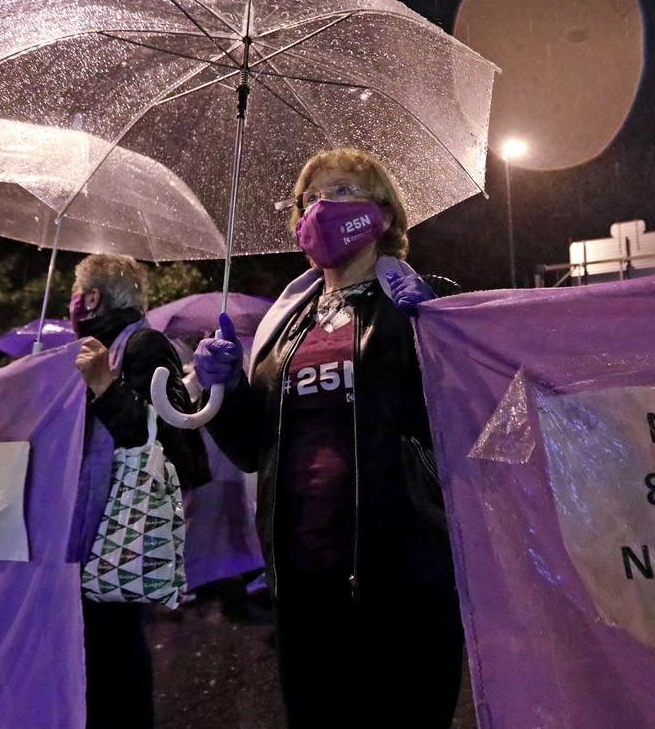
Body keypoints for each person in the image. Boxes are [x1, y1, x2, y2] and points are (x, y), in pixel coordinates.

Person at [193, 148, 465, 728]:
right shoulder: (285, 326)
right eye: (310, 198)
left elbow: (456, 425)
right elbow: (250, 448)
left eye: (342, 192)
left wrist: (435, 337)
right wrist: (223, 394)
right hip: (302, 580)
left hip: (402, 576)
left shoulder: (419, 305)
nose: (321, 207)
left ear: (384, 217)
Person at [69, 253, 211, 729]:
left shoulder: (145, 345)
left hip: (118, 520)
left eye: (77, 292)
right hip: (82, 518)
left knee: (113, 641)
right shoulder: (93, 347)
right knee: (91, 641)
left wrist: (106, 388)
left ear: (91, 297)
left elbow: (173, 438)